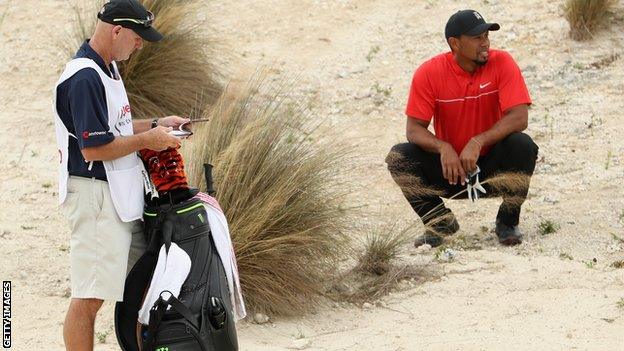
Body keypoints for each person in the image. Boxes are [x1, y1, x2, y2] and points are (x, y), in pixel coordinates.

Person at [53, 0, 188, 349]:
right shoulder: (84, 77)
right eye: (138, 36)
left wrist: (158, 125)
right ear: (116, 30)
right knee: (90, 297)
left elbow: (116, 128)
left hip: (117, 197)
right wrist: (148, 140)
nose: (140, 44)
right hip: (96, 197)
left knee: (143, 284)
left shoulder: (106, 69)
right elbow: (93, 149)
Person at [386, 10, 539, 248]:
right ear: (454, 43)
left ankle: (507, 223)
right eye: (477, 37)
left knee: (523, 145)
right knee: (399, 157)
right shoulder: (429, 73)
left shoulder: (502, 62)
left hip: (492, 171)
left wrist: (478, 141)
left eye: (486, 35)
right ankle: (439, 221)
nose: (485, 42)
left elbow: (519, 117)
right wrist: (442, 147)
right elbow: (413, 129)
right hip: (451, 172)